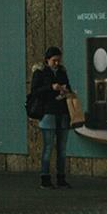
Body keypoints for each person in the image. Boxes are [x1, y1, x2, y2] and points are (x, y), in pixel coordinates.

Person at [30, 46, 73, 189]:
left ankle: (61, 178)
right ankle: (45, 178)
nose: (57, 63)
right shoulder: (40, 72)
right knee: (48, 147)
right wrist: (51, 87)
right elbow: (34, 92)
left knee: (62, 149)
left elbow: (69, 87)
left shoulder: (62, 71)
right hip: (47, 113)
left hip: (63, 112)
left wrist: (67, 91)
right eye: (54, 60)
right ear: (47, 60)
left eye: (59, 61)